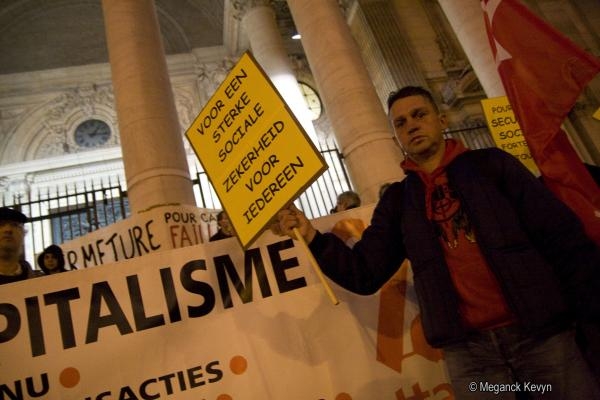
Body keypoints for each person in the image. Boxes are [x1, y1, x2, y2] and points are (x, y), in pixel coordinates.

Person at [272, 86, 600, 399]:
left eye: (419, 115)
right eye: (401, 123)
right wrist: (310, 234)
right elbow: (365, 272)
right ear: (396, 137)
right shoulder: (399, 202)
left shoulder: (493, 166)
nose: (412, 126)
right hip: (471, 356)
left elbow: (561, 237)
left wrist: (588, 312)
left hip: (541, 336)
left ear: (441, 120)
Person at [0, 207, 41, 284]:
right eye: (1, 224)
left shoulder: (41, 283)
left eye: (15, 225)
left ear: (23, 233)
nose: (8, 229)